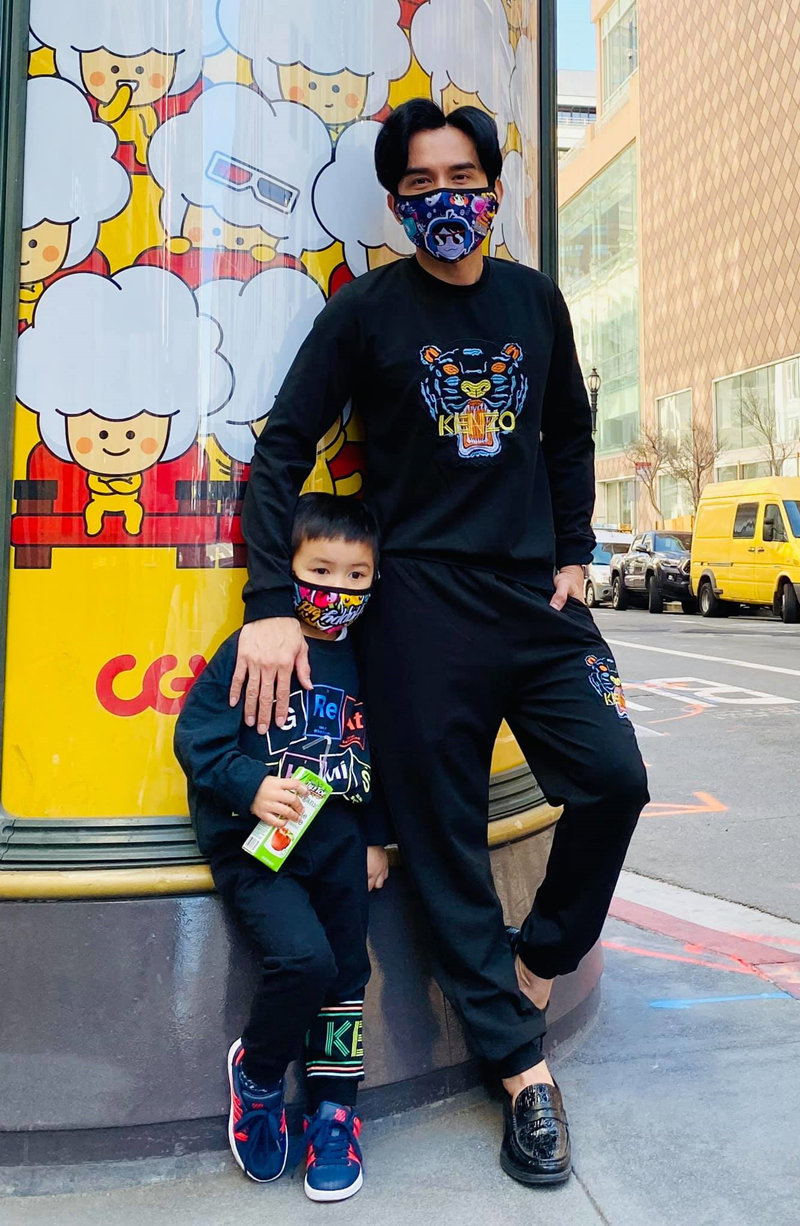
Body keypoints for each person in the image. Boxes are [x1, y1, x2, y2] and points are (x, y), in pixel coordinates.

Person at [232, 99, 649, 1186]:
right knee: (445, 840)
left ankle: (536, 963)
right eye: (418, 185)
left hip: (536, 603)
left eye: (460, 178)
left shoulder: (534, 300)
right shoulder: (367, 311)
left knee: (615, 777)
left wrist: (573, 550)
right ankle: (521, 1073)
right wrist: (270, 600)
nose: (442, 199)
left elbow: (567, 431)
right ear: (395, 202)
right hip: (417, 606)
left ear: (494, 190)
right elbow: (281, 450)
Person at [175, 493, 389, 1203]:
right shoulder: (252, 647)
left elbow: (386, 755)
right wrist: (250, 786)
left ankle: (336, 1117)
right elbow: (195, 738)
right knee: (305, 960)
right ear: (286, 568)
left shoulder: (370, 660)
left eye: (356, 576)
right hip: (258, 852)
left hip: (341, 850)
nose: (338, 589)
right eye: (320, 570)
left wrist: (376, 838)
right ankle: (260, 1076)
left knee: (346, 979)